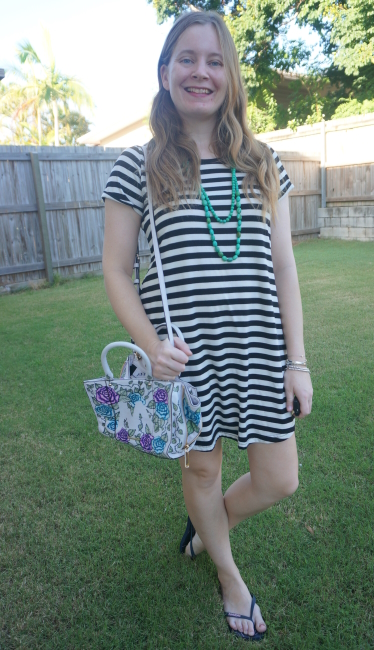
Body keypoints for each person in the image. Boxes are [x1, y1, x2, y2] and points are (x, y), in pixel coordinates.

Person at [101, 10, 313, 641]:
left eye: (215, 60)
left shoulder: (262, 160)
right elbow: (115, 271)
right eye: (187, 59)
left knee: (281, 478)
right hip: (185, 363)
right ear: (165, 73)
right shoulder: (136, 167)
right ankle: (227, 572)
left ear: (230, 75)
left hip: (258, 351)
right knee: (202, 470)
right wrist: (151, 345)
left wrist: (296, 361)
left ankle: (209, 523)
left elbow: (283, 265)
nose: (201, 71)